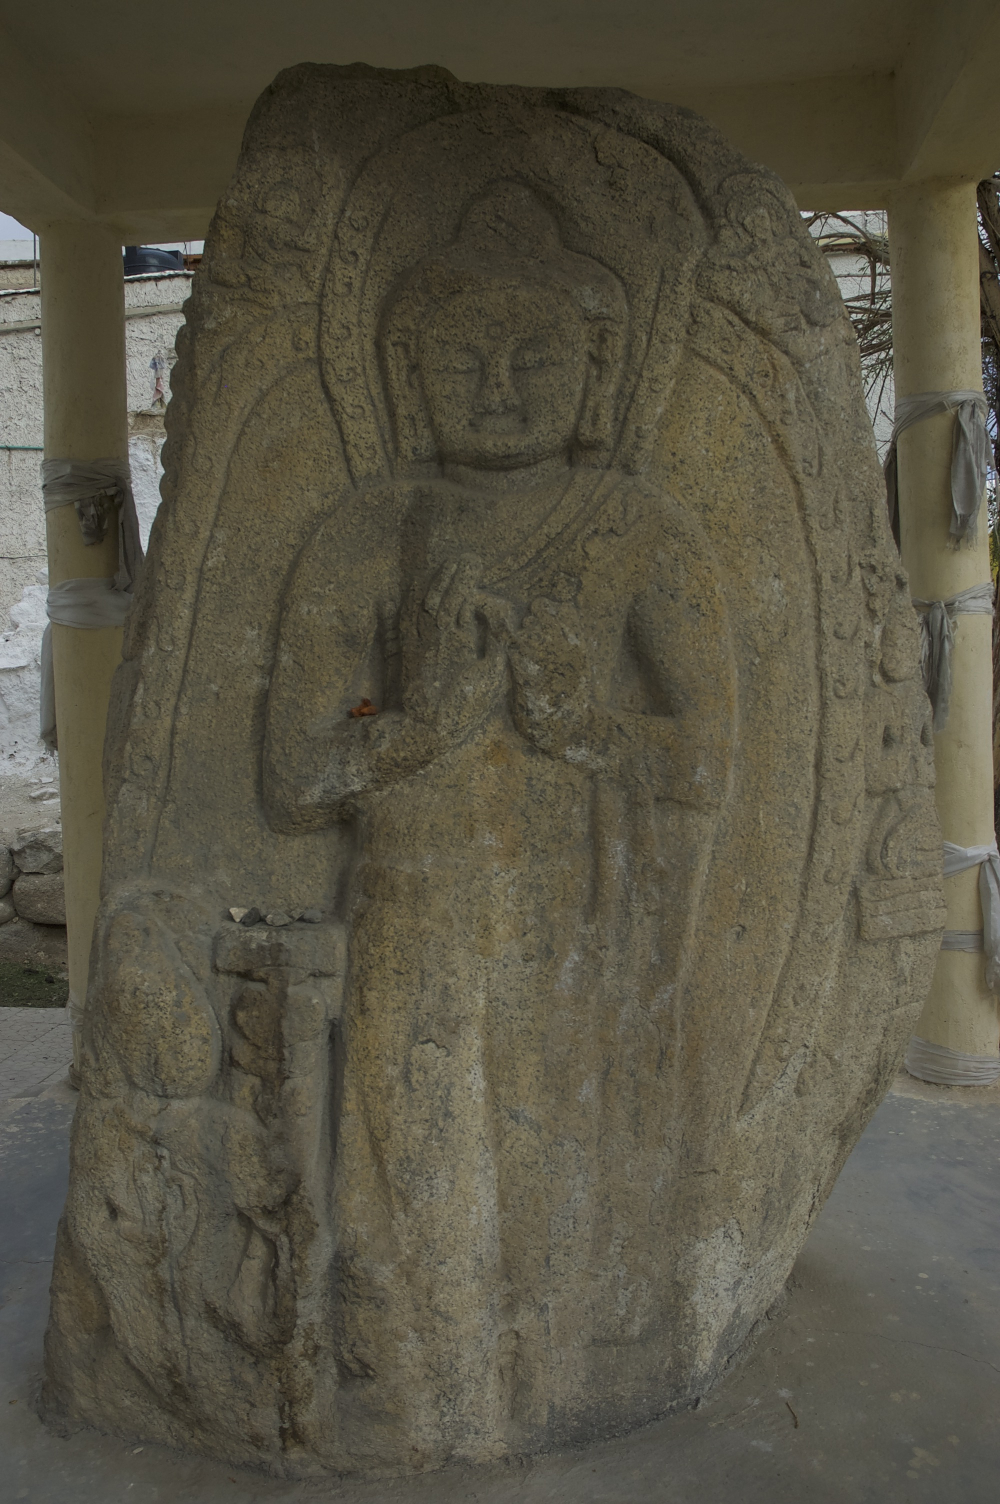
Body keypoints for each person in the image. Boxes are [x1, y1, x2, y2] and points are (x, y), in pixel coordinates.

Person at [263, 182, 735, 1456]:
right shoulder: (369, 528)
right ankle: (433, 1412)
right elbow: (292, 776)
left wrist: (586, 723)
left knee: (549, 1220)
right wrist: (415, 726)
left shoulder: (635, 529)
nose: (502, 390)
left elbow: (709, 764)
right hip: (415, 922)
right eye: (464, 360)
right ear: (409, 372)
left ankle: (549, 1398)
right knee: (415, 1225)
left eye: (535, 359)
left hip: (576, 939)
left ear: (594, 371)